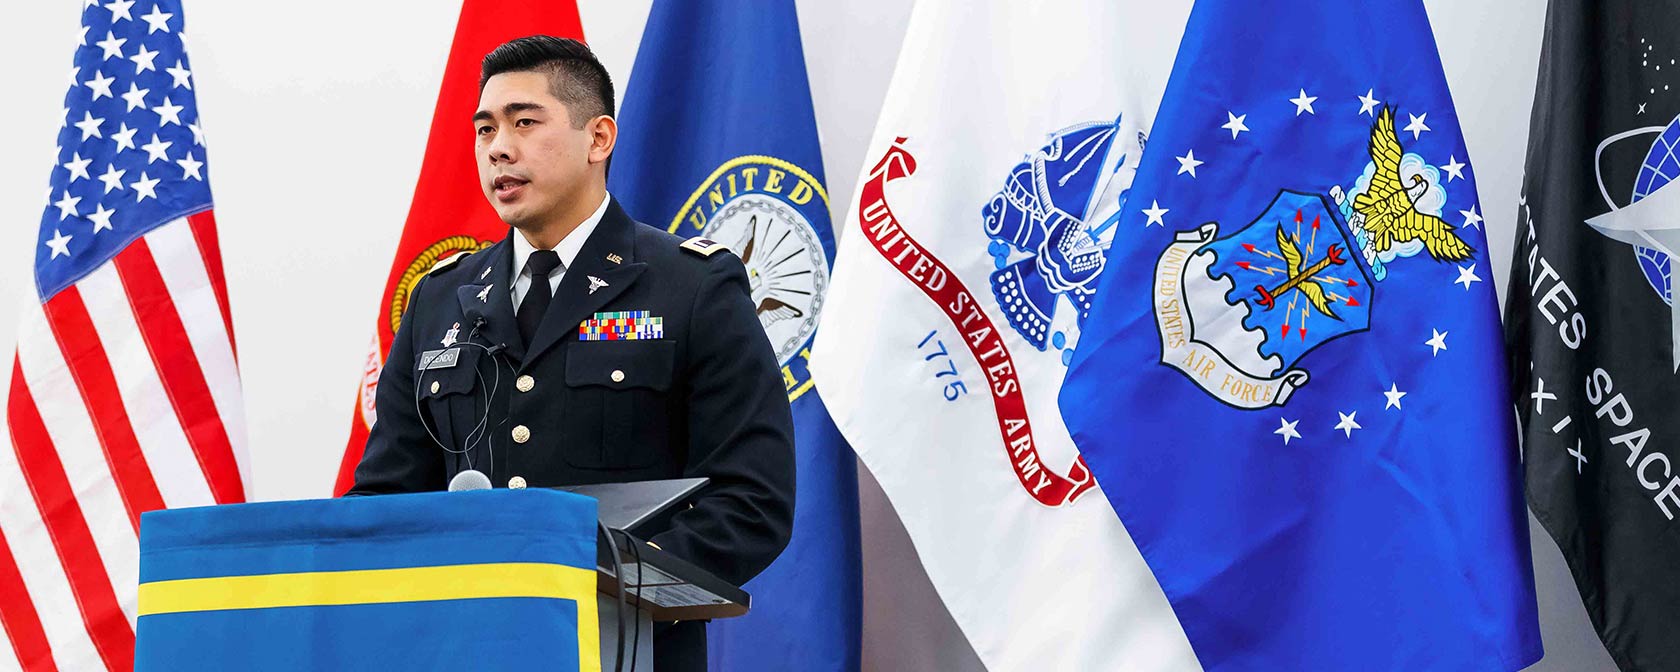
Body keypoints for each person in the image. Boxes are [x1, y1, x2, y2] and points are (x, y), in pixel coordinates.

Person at [347, 35, 796, 670]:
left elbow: (752, 502)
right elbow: (387, 500)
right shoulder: (438, 300)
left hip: (626, 650)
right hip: (467, 649)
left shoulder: (692, 286)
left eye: (524, 122)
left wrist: (598, 579)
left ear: (599, 139)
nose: (498, 146)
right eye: (484, 129)